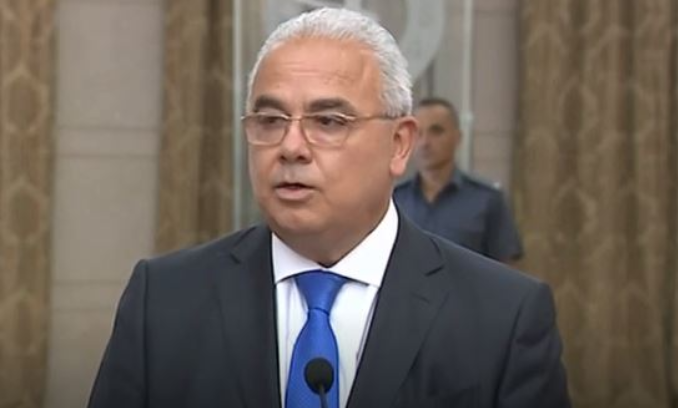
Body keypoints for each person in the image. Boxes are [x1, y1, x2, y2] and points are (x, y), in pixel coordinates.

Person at [87, 7, 570, 408]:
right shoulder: (164, 301)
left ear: (399, 145)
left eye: (329, 121)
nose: (291, 147)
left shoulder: (503, 317)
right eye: (270, 119)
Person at [394, 97, 524, 263]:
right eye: (418, 133)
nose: (425, 142)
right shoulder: (395, 199)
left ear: (458, 137)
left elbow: (506, 268)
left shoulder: (487, 199)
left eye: (436, 131)